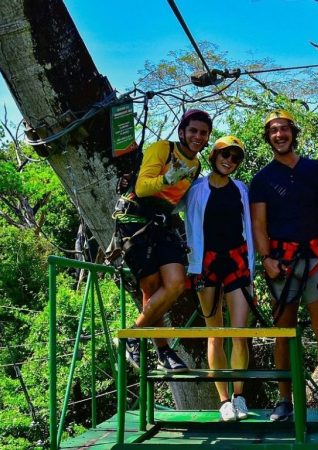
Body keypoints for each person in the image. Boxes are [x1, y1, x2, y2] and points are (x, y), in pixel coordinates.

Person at [249, 109, 318, 422]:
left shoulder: (315, 170)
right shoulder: (263, 179)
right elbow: (258, 224)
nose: (280, 135)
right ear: (268, 137)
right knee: (283, 332)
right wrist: (266, 259)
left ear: (293, 133)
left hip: (316, 258)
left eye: (284, 129)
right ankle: (284, 400)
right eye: (274, 131)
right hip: (282, 262)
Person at [116, 109, 212, 373]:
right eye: (193, 131)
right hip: (135, 219)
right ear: (182, 132)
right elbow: (142, 187)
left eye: (203, 133)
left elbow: (177, 200)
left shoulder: (195, 166)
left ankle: (132, 335)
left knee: (176, 283)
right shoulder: (162, 149)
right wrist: (167, 178)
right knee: (151, 286)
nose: (197, 136)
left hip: (161, 223)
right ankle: (164, 352)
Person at [185, 135, 255, 422]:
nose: (229, 160)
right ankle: (223, 400)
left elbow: (251, 224)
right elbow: (169, 204)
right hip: (206, 263)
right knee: (215, 333)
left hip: (237, 260)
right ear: (214, 155)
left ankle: (239, 396)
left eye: (235, 157)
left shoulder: (241, 189)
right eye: (225, 154)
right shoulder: (195, 188)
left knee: (240, 333)